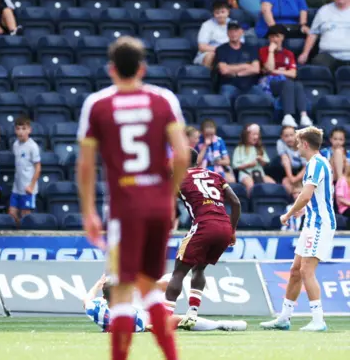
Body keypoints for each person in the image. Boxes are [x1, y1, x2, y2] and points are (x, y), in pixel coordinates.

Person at [77, 36, 190, 360]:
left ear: (111, 69)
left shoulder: (98, 104)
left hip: (124, 209)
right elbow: (182, 155)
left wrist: (88, 212)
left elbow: (86, 164)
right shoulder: (163, 100)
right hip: (157, 205)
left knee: (123, 290)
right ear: (143, 68)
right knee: (150, 286)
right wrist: (169, 198)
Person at [261, 126, 336, 332]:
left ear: (305, 144)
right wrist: (304, 211)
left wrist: (288, 213)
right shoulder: (318, 163)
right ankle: (284, 318)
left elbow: (305, 195)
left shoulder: (315, 163)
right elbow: (318, 196)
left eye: (297, 143)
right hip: (312, 222)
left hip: (320, 224)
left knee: (306, 270)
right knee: (295, 271)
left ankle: (318, 320)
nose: (295, 147)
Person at [165, 147, 240, 329]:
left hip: (204, 225)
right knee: (199, 269)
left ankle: (164, 318)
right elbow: (236, 202)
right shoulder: (215, 175)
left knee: (179, 272)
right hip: (224, 227)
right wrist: (232, 230)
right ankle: (192, 313)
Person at [84, 274, 247, 333]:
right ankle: (220, 325)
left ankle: (220, 325)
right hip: (145, 320)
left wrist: (96, 286)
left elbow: (86, 301)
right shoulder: (126, 313)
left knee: (163, 284)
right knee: (177, 319)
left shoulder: (96, 309)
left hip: (141, 316)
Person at [258, 24, 312, 127]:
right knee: (288, 83)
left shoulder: (288, 53)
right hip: (270, 82)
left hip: (286, 82)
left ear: (282, 37)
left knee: (297, 85)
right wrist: (271, 51)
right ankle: (287, 115)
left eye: (277, 36)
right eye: (272, 37)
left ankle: (304, 116)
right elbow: (269, 68)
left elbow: (293, 73)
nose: (274, 39)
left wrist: (276, 71)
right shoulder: (264, 51)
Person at [298, 0, 350, 72]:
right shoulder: (324, 10)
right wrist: (305, 53)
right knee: (318, 64)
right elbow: (313, 33)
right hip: (327, 54)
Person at [216, 20, 263, 104]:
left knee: (267, 99)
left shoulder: (250, 49)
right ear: (227, 33)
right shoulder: (221, 49)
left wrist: (236, 73)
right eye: (231, 31)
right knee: (225, 96)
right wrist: (246, 66)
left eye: (236, 30)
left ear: (242, 32)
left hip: (250, 86)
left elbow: (256, 69)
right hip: (230, 85)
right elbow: (224, 70)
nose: (233, 33)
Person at [9, 116, 42, 225]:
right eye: (18, 129)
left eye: (23, 129)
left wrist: (31, 186)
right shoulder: (15, 145)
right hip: (16, 187)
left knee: (25, 217)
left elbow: (38, 167)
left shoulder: (33, 147)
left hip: (28, 189)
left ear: (29, 130)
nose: (20, 132)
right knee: (12, 214)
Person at [232, 123, 274, 194]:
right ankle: (251, 203)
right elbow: (235, 166)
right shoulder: (239, 148)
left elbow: (266, 163)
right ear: (246, 135)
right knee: (250, 185)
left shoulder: (260, 148)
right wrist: (248, 165)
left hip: (260, 174)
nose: (256, 137)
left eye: (257, 135)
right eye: (253, 134)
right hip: (245, 174)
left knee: (272, 184)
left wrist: (261, 160)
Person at [194, 1, 237, 68]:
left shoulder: (234, 24)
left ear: (228, 12)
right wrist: (221, 50)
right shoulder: (207, 25)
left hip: (230, 51)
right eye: (217, 13)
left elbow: (240, 43)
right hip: (211, 52)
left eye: (223, 12)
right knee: (211, 56)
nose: (220, 15)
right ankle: (207, 77)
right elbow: (202, 47)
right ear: (213, 14)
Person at [277, 125, 307, 196]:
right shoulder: (280, 143)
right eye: (286, 136)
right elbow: (284, 159)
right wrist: (291, 178)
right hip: (283, 171)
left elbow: (306, 166)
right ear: (282, 137)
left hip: (299, 173)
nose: (289, 138)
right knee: (286, 182)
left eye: (291, 135)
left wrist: (296, 179)